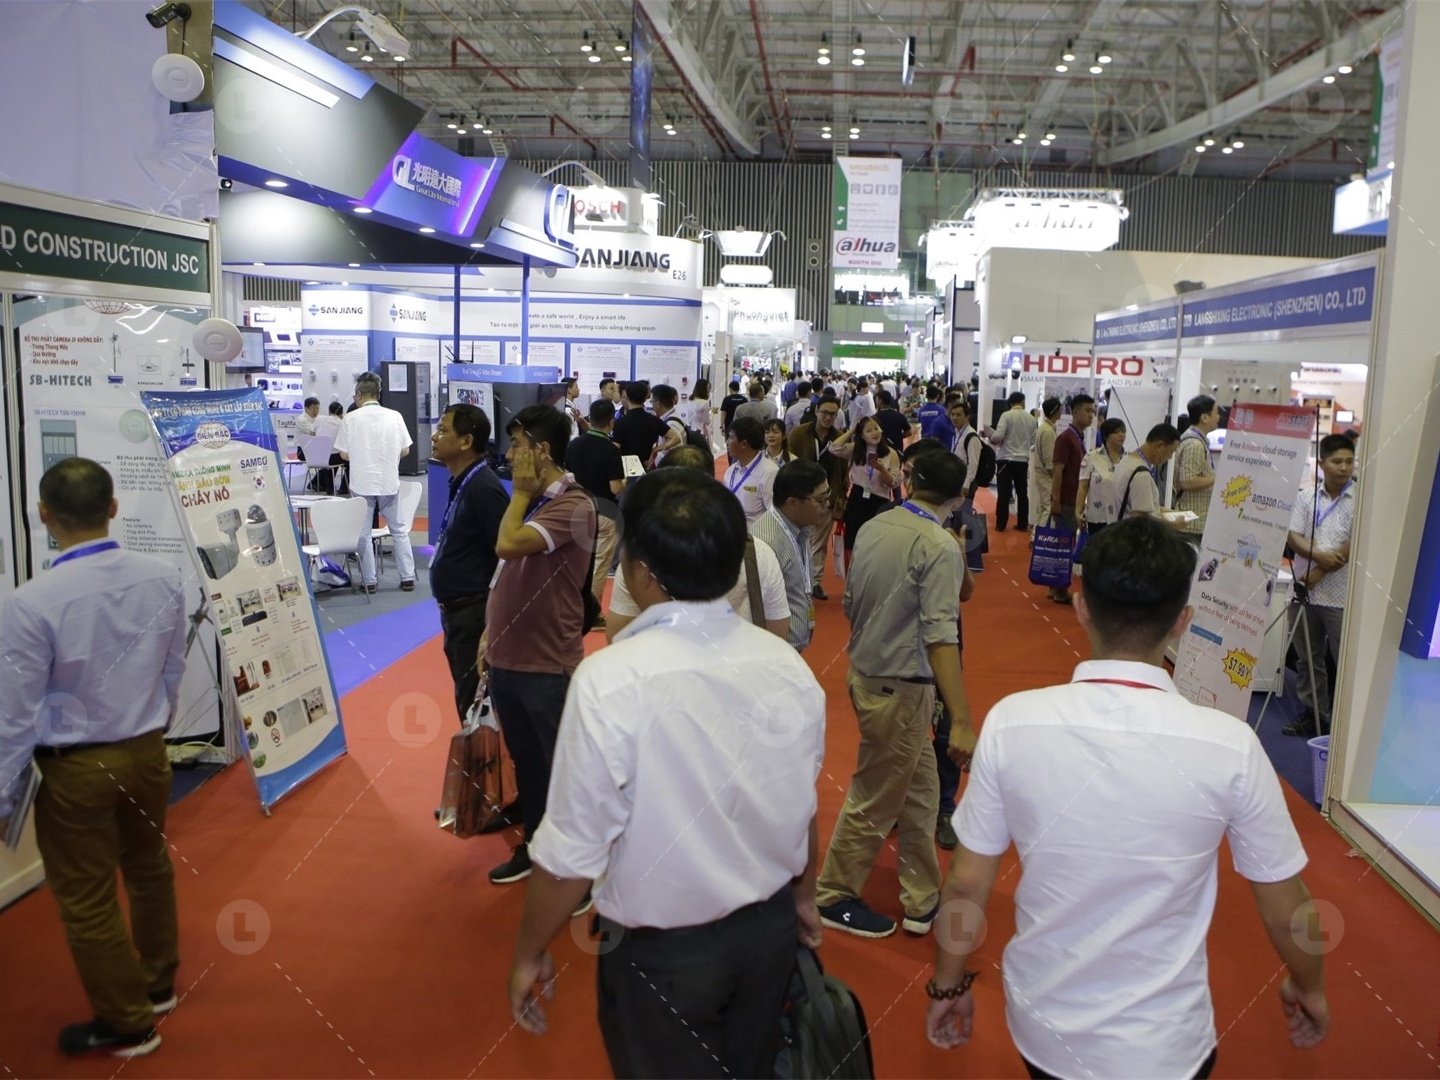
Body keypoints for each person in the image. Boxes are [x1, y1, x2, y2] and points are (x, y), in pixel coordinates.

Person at [926, 516, 1327, 1077]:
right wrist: (1309, 986)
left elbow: (967, 883)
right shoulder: (1230, 745)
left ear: (1082, 606)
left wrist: (947, 985)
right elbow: (1287, 904)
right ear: (1183, 620)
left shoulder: (1013, 723)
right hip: (1168, 1043)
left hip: (1045, 1026)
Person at [508, 468, 826, 1078]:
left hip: (663, 952)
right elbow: (800, 803)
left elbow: (573, 850)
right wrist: (804, 896)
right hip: (768, 930)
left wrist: (529, 951)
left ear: (641, 572)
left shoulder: (610, 679)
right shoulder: (786, 667)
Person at [0, 459, 187, 1058]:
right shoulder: (162, 577)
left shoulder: (30, 602)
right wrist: (155, 724)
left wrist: (4, 798)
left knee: (86, 896)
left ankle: (128, 1023)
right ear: (112, 508)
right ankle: (157, 986)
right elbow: (173, 668)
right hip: (146, 748)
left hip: (75, 768)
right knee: (149, 866)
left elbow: (14, 715)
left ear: (43, 515)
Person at [816, 451, 976, 939]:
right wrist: (962, 721)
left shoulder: (877, 526)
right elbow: (942, 635)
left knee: (920, 793)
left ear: (910, 481)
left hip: (870, 674)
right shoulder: (937, 544)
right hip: (901, 687)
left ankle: (922, 896)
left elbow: (850, 601)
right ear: (959, 496)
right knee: (874, 798)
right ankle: (833, 893)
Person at [479, 404, 597, 887]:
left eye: (517, 446)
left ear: (542, 451)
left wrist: (521, 494)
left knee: (558, 766)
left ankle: (575, 870)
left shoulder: (574, 504)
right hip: (510, 655)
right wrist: (490, 632)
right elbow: (507, 570)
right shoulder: (540, 501)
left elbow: (507, 545)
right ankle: (536, 844)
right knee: (528, 760)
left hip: (547, 662)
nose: (509, 456)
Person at [607, 450, 789, 641]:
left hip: (659, 656)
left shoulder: (640, 557)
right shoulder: (758, 552)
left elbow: (618, 634)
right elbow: (778, 631)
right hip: (744, 654)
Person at [429, 404, 510, 724]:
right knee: (468, 697)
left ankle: (480, 755)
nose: (434, 437)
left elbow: (507, 557)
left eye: (443, 430)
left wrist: (493, 623)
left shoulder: (483, 488)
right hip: (458, 613)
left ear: (466, 441)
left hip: (474, 613)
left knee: (475, 703)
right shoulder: (463, 481)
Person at [1284, 434, 1357, 738]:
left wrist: (1318, 571)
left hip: (1341, 595)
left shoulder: (1360, 500)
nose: (1344, 467)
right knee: (1308, 658)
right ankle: (1314, 714)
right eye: (1337, 461)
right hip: (1305, 591)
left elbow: (1352, 543)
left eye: (1349, 461)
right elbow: (1293, 536)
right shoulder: (1306, 497)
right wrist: (1318, 558)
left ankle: (1347, 725)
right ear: (1322, 463)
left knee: (1346, 661)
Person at [334, 371, 416, 593]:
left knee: (364, 533)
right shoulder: (395, 416)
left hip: (362, 482)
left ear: (359, 394)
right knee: (399, 530)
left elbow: (343, 454)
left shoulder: (350, 418)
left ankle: (369, 582)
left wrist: (362, 455)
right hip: (389, 481)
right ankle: (408, 577)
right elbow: (405, 450)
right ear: (378, 394)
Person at [750, 460, 832, 652]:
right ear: (793, 503)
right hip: (776, 652)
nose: (827, 504)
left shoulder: (800, 528)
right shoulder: (767, 545)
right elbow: (756, 610)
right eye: (820, 500)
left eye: (828, 495)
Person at [564, 399, 627, 628]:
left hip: (576, 508)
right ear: (611, 422)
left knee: (575, 562)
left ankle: (570, 609)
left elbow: (567, 476)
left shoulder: (574, 445)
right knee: (599, 564)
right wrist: (626, 481)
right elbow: (616, 488)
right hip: (604, 511)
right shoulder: (611, 450)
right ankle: (592, 614)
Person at [787, 396, 848, 600]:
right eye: (824, 413)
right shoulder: (799, 433)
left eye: (833, 414)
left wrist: (840, 496)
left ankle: (814, 583)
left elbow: (843, 471)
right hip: (801, 497)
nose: (828, 417)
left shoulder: (839, 438)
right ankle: (796, 580)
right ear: (816, 411)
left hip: (827, 498)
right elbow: (789, 463)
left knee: (820, 544)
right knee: (798, 539)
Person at [828, 416, 902, 567]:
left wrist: (881, 469)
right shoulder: (855, 449)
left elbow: (893, 483)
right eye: (868, 430)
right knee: (853, 541)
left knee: (876, 543)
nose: (874, 433)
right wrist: (852, 430)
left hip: (880, 502)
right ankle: (852, 575)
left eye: (876, 428)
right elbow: (833, 448)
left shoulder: (890, 453)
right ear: (861, 435)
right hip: (857, 499)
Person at [1047, 394, 1095, 604]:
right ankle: (1060, 589)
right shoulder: (1066, 438)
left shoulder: (1078, 438)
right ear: (1075, 412)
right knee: (1065, 545)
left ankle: (1055, 586)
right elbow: (1058, 470)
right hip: (1066, 500)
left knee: (1063, 543)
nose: (1091, 415)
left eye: (1093, 411)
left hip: (1072, 499)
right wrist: (1056, 500)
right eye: (1087, 410)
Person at [1174, 394, 1221, 544]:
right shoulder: (1194, 444)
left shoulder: (1198, 441)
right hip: (1190, 524)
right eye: (1216, 413)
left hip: (1195, 521)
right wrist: (1217, 479)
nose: (1219, 417)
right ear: (1205, 417)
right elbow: (1187, 481)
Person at [947, 399, 986, 573]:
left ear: (967, 417)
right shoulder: (957, 433)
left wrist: (966, 485)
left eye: (959, 415)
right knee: (958, 519)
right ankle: (962, 554)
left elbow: (973, 464)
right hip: (956, 482)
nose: (954, 418)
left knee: (966, 520)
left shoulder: (971, 436)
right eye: (952, 414)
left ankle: (973, 559)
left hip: (965, 485)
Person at [1111, 423, 1181, 519]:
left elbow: (1139, 505)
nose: (1170, 457)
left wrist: (1165, 511)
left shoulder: (1127, 460)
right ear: (1159, 445)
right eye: (1171, 452)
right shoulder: (1141, 474)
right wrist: (1173, 525)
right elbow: (1142, 519)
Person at [991, 391, 1037, 532]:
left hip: (1005, 459)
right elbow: (1033, 441)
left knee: (1003, 493)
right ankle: (1022, 523)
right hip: (1022, 460)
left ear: (1010, 403)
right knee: (1022, 493)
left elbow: (998, 436)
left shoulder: (1006, 415)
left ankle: (1001, 524)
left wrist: (992, 437)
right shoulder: (1032, 419)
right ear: (1023, 402)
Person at [1076, 418, 1127, 537]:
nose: (1121, 435)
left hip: (1123, 516)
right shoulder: (1091, 457)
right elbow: (1083, 486)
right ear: (1105, 436)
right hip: (1098, 516)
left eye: (1123, 431)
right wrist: (1078, 511)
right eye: (1116, 432)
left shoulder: (1129, 458)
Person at [723, 416, 778, 524]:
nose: (727, 442)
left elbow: (775, 515)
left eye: (731, 437)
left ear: (743, 444)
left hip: (756, 533)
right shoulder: (730, 471)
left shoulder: (769, 472)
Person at [611, 380, 678, 468]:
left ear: (626, 397)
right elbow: (675, 438)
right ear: (645, 398)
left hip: (626, 467)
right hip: (645, 467)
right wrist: (655, 450)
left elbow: (615, 449)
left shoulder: (621, 422)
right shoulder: (654, 420)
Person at [1028, 397, 1062, 536]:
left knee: (1043, 508)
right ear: (1056, 412)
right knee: (1048, 508)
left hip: (1041, 474)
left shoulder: (1044, 428)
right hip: (1046, 476)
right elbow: (1049, 461)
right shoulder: (1048, 431)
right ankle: (1040, 537)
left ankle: (1035, 536)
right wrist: (1056, 479)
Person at [872, 388, 911, 457]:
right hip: (897, 451)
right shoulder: (899, 415)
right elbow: (908, 432)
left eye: (877, 400)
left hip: (881, 451)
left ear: (880, 401)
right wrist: (899, 436)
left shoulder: (875, 418)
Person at [681, 378, 712, 447]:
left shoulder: (690, 401)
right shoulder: (704, 403)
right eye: (708, 388)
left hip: (691, 431)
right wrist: (713, 413)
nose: (709, 390)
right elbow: (707, 421)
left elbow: (689, 419)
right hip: (701, 432)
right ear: (703, 389)